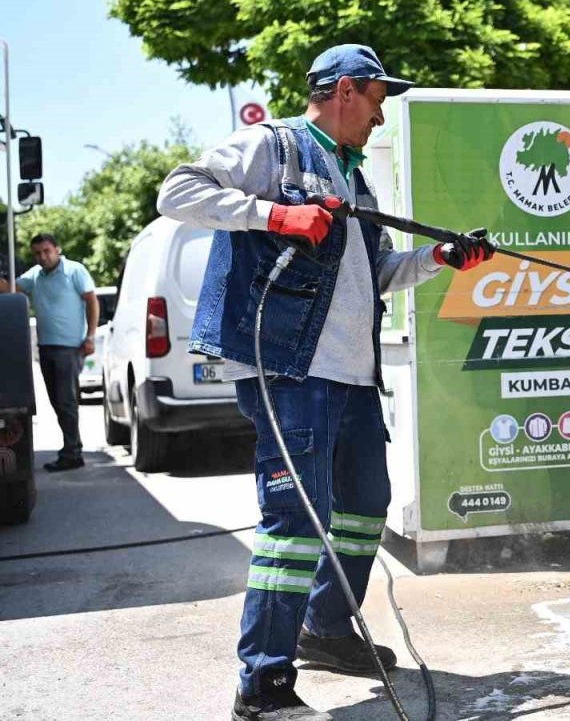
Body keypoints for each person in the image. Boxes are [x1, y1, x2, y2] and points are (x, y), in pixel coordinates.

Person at [157, 44, 495, 721]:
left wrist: (439, 257)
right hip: (290, 369)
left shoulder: (355, 180)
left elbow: (378, 273)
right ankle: (262, 683)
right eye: (377, 99)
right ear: (345, 90)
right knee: (294, 523)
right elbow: (177, 192)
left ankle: (327, 629)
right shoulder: (273, 146)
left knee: (367, 503)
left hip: (351, 373)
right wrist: (274, 214)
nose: (380, 116)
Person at [0, 233, 98, 472]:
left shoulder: (74, 270)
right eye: (38, 253)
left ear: (57, 249)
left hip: (69, 348)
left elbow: (92, 301)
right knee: (57, 403)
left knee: (66, 401)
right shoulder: (35, 275)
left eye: (46, 251)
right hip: (46, 347)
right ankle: (72, 448)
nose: (43, 257)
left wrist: (90, 336)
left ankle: (72, 453)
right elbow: (9, 289)